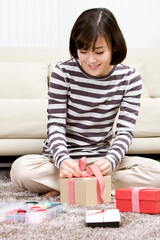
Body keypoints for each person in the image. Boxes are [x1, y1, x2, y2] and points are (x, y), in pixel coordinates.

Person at [10, 8, 160, 197]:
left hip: (102, 161)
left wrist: (111, 161)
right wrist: (63, 160)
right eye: (83, 51)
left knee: (157, 173)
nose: (90, 60)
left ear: (114, 46)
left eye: (99, 52)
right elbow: (55, 124)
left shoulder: (130, 78)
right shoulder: (62, 72)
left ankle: (69, 187)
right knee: (20, 169)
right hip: (63, 162)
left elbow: (125, 131)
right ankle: (95, 187)